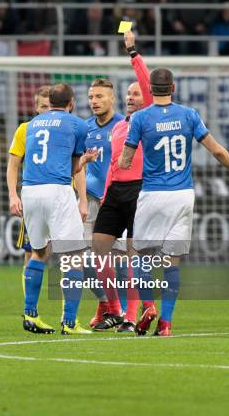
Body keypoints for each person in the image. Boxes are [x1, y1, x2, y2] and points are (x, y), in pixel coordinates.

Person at [120, 68, 229, 336]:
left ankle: (148, 306)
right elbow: (217, 149)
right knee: (171, 263)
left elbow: (126, 161)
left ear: (150, 90)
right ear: (173, 87)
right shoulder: (189, 115)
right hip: (182, 196)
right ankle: (165, 324)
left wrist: (122, 158)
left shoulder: (141, 118)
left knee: (140, 256)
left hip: (152, 194)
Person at [89, 30, 153, 333]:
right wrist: (103, 195)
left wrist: (132, 52)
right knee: (98, 249)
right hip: (114, 192)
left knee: (131, 255)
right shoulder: (118, 129)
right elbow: (113, 167)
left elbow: (146, 82)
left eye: (136, 93)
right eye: (128, 94)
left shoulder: (150, 119)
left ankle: (130, 316)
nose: (131, 96)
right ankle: (113, 309)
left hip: (140, 190)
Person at [21, 83, 91, 335]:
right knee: (73, 258)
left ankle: (31, 315)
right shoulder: (78, 125)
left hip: (29, 191)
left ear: (49, 102)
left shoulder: (32, 125)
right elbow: (72, 170)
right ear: (71, 103)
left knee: (39, 253)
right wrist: (84, 160)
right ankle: (70, 322)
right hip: (57, 191)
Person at [7, 84, 52, 333]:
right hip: (34, 198)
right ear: (35, 108)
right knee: (33, 253)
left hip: (61, 198)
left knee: (72, 255)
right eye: (42, 106)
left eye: (50, 106)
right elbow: (13, 164)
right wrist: (13, 194)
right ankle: (30, 311)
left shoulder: (65, 127)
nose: (46, 111)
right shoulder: (25, 129)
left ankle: (72, 317)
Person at [81, 78, 125, 329]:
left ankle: (121, 313)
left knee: (119, 260)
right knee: (87, 260)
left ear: (112, 98)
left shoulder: (124, 125)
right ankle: (108, 307)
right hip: (90, 199)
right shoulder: (84, 128)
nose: (94, 101)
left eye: (99, 96)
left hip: (117, 198)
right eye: (91, 97)